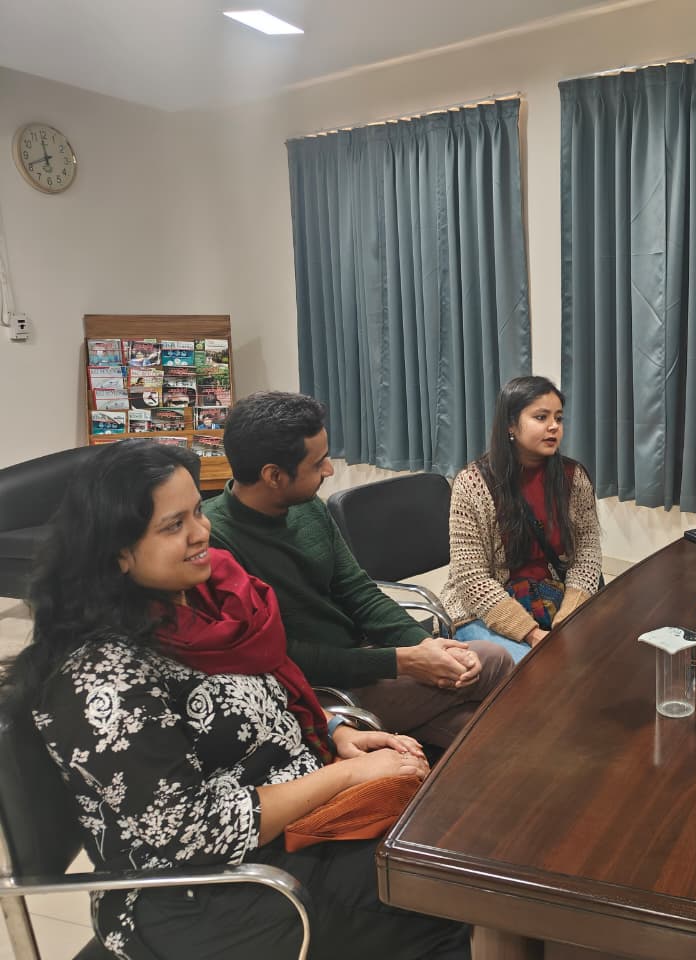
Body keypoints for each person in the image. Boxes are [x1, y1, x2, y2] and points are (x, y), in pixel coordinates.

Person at [3, 440, 469, 960]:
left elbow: (252, 705)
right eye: (173, 526)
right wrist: (347, 777)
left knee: (447, 845)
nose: (201, 533)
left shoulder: (204, 603)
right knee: (438, 896)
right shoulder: (102, 679)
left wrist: (334, 732)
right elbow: (192, 833)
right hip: (202, 895)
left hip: (283, 834)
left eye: (197, 512)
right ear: (118, 553)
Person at [203, 392, 512, 751]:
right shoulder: (215, 543)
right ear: (273, 475)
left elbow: (358, 591)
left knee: (487, 729)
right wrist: (401, 662)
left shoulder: (307, 508)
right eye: (318, 463)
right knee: (493, 660)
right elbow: (280, 657)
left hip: (364, 663)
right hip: (317, 692)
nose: (329, 470)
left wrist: (425, 646)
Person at [440, 376, 602, 663]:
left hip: (550, 600)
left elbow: (587, 554)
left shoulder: (573, 477)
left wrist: (566, 618)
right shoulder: (472, 484)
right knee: (537, 671)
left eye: (558, 418)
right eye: (541, 417)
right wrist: (531, 633)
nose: (554, 426)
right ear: (510, 425)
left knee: (606, 654)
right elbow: (472, 579)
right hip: (481, 611)